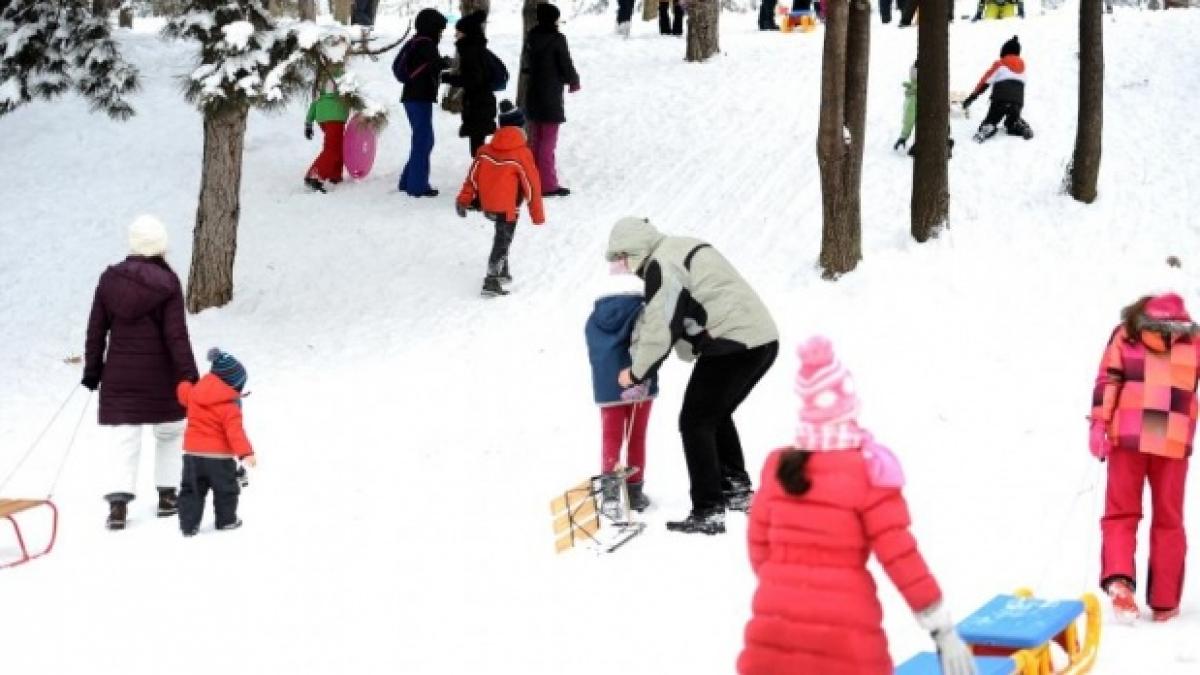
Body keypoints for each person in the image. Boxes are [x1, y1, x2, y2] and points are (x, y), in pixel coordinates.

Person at [738, 336, 976, 675]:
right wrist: (941, 627)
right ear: (848, 406)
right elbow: (900, 556)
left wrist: (788, 587)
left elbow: (758, 545)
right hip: (844, 630)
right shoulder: (869, 471)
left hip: (773, 625)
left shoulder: (778, 466)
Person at [605, 217, 779, 534]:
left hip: (735, 344)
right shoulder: (678, 247)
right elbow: (692, 309)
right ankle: (736, 490)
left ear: (634, 250)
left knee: (695, 421)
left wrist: (636, 372)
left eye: (621, 259)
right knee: (715, 415)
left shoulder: (662, 263)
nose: (623, 267)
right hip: (761, 340)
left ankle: (708, 509)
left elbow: (662, 324)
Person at [83, 215, 199, 530]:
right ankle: (167, 495)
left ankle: (118, 505)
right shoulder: (168, 283)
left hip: (120, 374)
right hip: (161, 374)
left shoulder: (110, 280)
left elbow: (96, 331)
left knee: (125, 436)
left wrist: (93, 371)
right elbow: (176, 336)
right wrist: (189, 375)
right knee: (169, 432)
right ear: (160, 245)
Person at [1090, 293, 1197, 623]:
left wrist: (1099, 423)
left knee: (1121, 513)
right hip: (1172, 440)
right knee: (1169, 519)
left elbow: (1109, 378)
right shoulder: (1193, 340)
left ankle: (1121, 583)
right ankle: (1164, 602)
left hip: (1130, 435)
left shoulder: (1126, 333)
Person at [455, 101, 545, 297]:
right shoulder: (522, 154)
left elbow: (472, 178)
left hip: (488, 206)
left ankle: (502, 270)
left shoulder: (484, 151)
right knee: (502, 241)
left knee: (502, 237)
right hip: (508, 208)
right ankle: (491, 279)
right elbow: (531, 186)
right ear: (520, 127)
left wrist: (463, 200)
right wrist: (537, 214)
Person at [585, 277, 659, 514]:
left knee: (611, 437)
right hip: (639, 383)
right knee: (636, 436)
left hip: (607, 386)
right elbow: (649, 343)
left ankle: (610, 497)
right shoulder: (641, 312)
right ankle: (634, 493)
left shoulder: (593, 320)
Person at [176, 348, 255, 536]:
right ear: (232, 385)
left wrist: (185, 382)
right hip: (220, 458)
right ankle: (226, 520)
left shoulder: (195, 393)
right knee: (226, 490)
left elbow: (183, 392)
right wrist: (246, 453)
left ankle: (188, 525)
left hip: (193, 455)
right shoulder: (230, 405)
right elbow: (235, 432)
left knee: (191, 490)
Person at [523, 3, 580, 198]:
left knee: (535, 139)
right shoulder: (557, 39)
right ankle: (547, 184)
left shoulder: (531, 36)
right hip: (550, 95)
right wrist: (573, 81)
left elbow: (527, 64)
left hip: (533, 93)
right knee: (548, 142)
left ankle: (532, 180)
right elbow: (565, 62)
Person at [394, 8, 451, 197]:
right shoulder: (426, 44)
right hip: (419, 98)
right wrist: (447, 63)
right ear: (432, 27)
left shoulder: (416, 41)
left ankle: (407, 180)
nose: (441, 34)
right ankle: (417, 186)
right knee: (423, 140)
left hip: (412, 97)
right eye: (440, 29)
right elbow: (434, 65)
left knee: (424, 139)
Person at [441, 10, 497, 158]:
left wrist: (449, 79)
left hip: (478, 104)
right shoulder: (476, 49)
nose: (455, 35)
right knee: (478, 146)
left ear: (467, 33)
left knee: (478, 149)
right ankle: (481, 176)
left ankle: (481, 177)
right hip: (481, 102)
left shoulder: (470, 51)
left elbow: (473, 79)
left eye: (458, 32)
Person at [962, 35, 1033, 143]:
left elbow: (985, 81)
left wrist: (972, 97)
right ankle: (1017, 124)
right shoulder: (1023, 66)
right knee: (1011, 121)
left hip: (1000, 101)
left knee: (992, 119)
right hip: (1017, 102)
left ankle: (989, 126)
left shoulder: (1000, 64)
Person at [304, 58, 350, 193]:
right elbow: (354, 96)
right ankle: (314, 176)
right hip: (334, 115)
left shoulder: (322, 75)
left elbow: (315, 101)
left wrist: (308, 122)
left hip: (322, 116)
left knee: (338, 146)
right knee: (332, 149)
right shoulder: (341, 74)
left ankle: (335, 175)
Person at [893, 61, 954, 158]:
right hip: (944, 127)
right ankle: (944, 141)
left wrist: (903, 136)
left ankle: (941, 145)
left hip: (929, 131)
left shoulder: (914, 97)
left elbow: (909, 119)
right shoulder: (936, 87)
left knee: (914, 153)